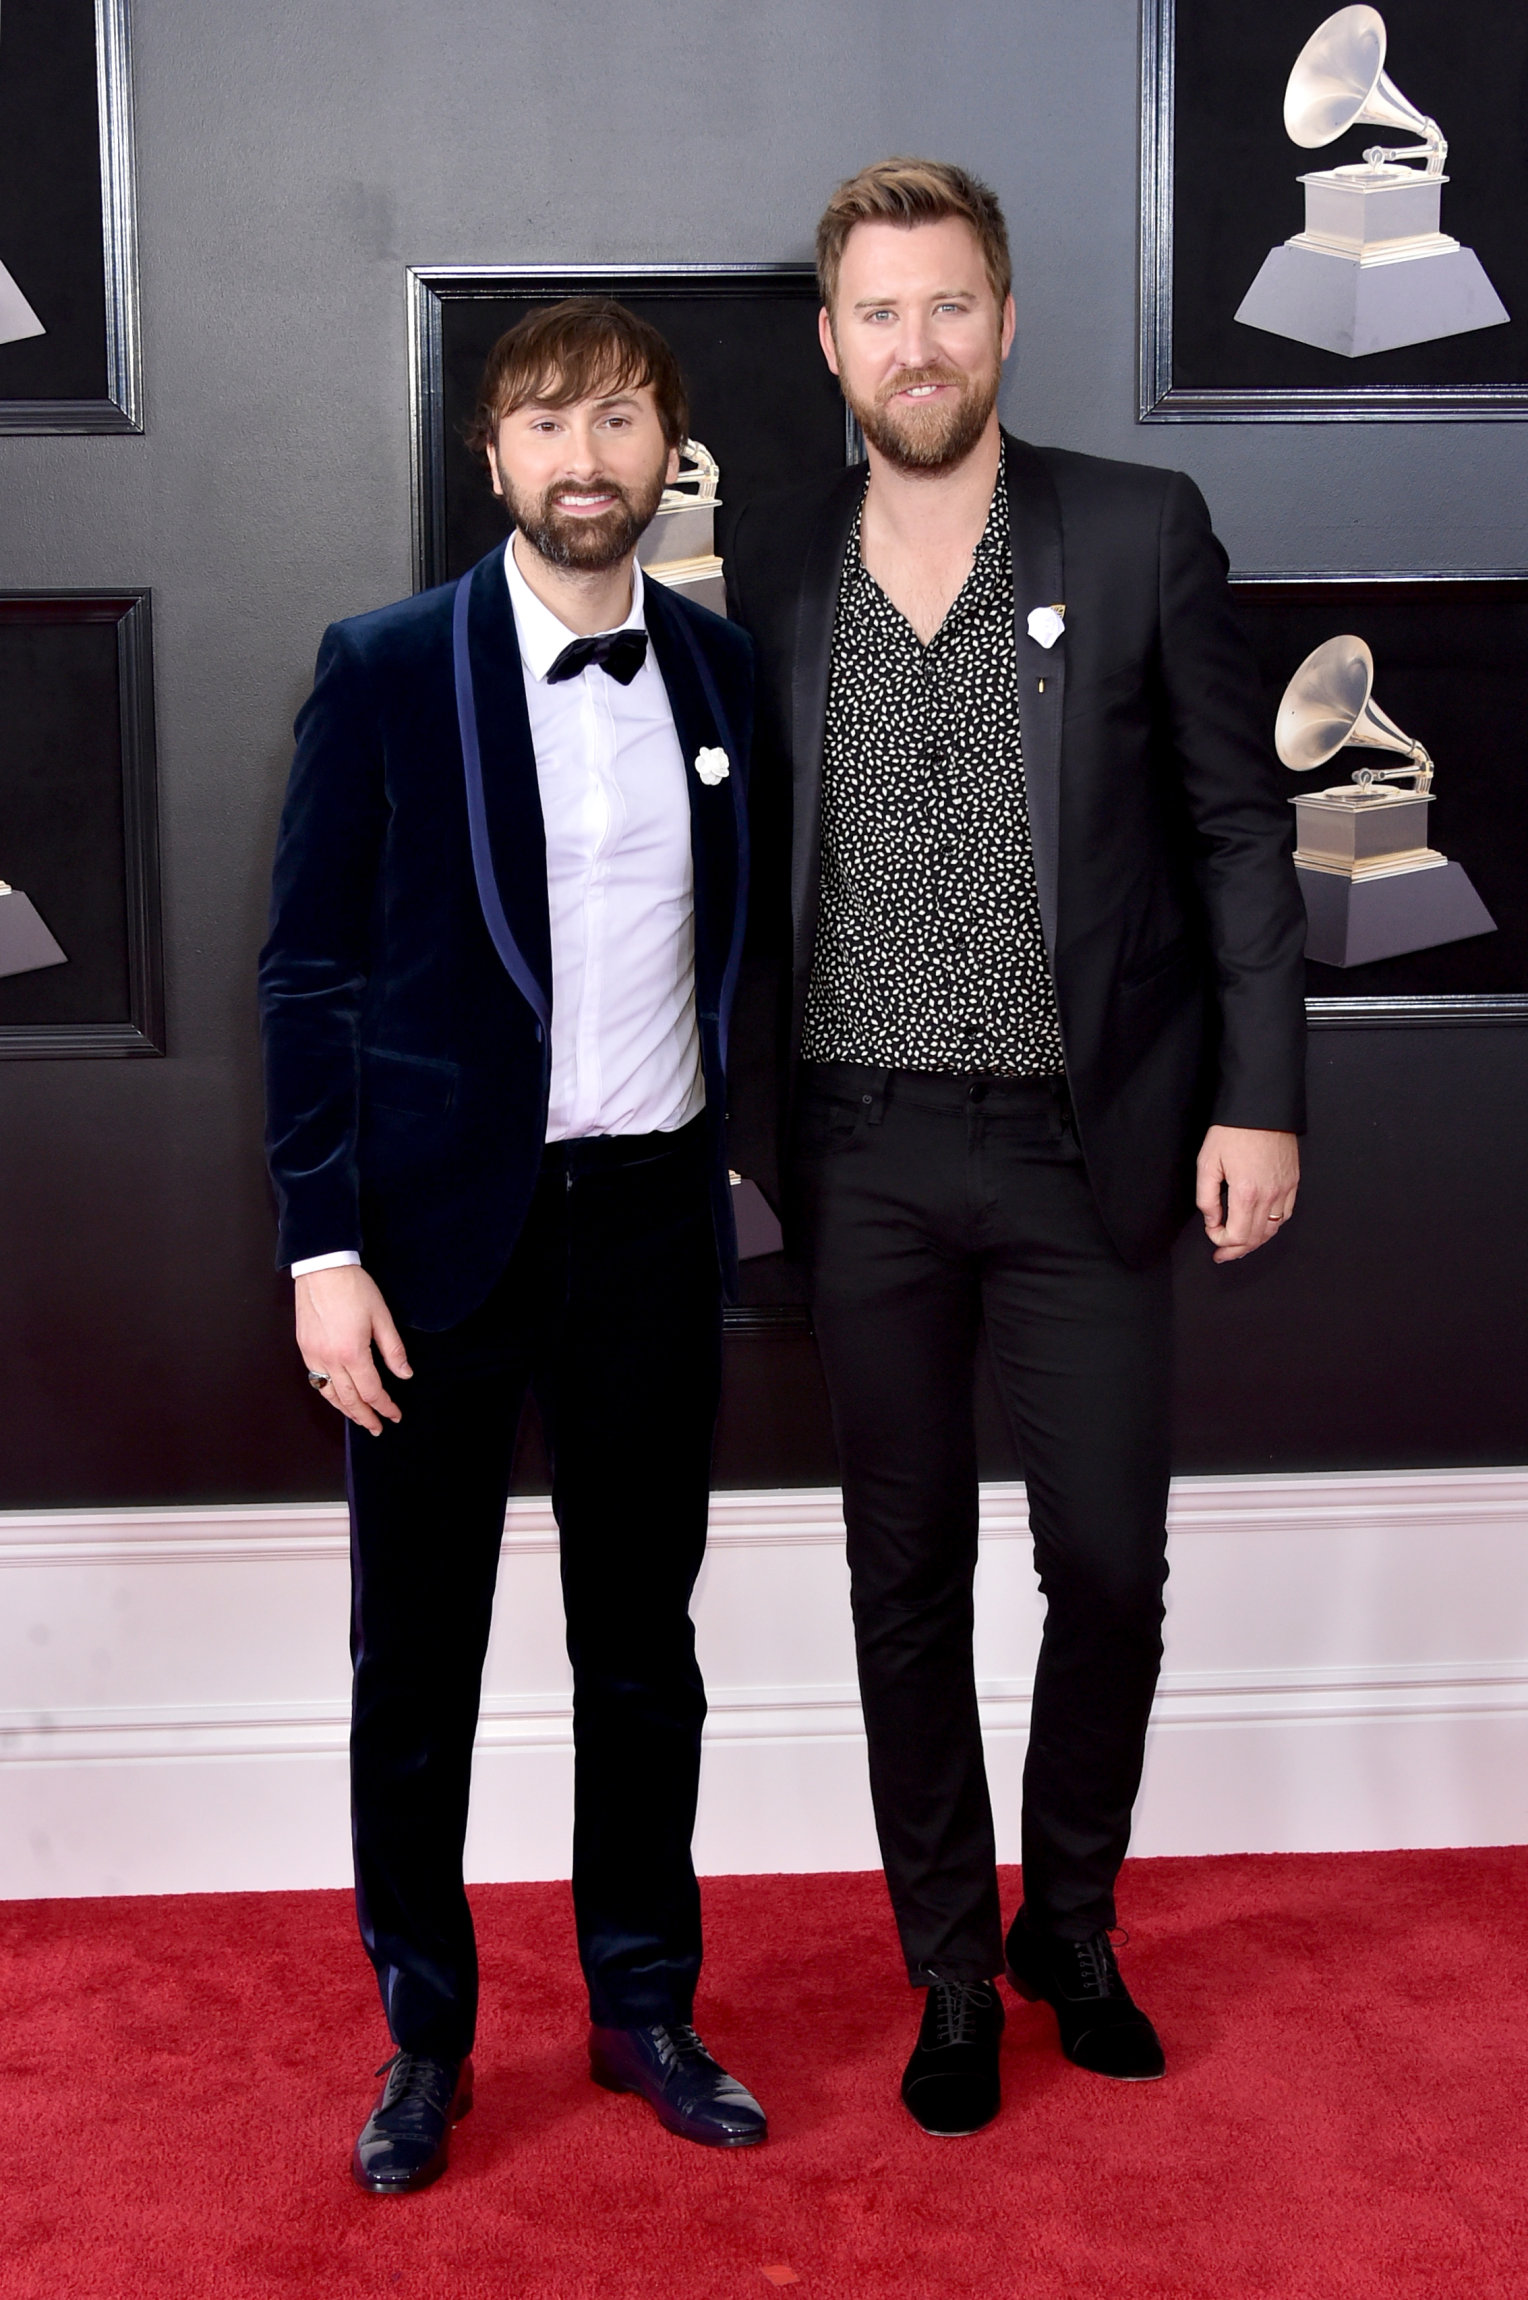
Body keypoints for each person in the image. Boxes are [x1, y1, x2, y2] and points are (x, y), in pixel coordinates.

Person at [724, 159, 1307, 2137]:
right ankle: (949, 1970)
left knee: (1106, 1568)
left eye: (948, 305)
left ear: (1003, 320)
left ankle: (1068, 1919)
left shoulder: (1137, 531)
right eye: (877, 312)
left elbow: (1236, 826)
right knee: (902, 1574)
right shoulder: (774, 568)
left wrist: (1258, 1095)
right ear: (828, 342)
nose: (915, 346)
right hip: (859, 1147)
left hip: (1085, 1151)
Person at [259, 298, 766, 2193]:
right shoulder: (384, 664)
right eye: (547, 424)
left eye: (619, 422)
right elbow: (305, 967)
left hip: (647, 1228)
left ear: (667, 455)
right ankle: (426, 2036)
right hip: (428, 1244)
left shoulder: (719, 672)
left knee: (645, 1653)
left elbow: (745, 960)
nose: (584, 458)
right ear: (493, 459)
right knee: (424, 1664)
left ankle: (642, 2002)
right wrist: (323, 1248)